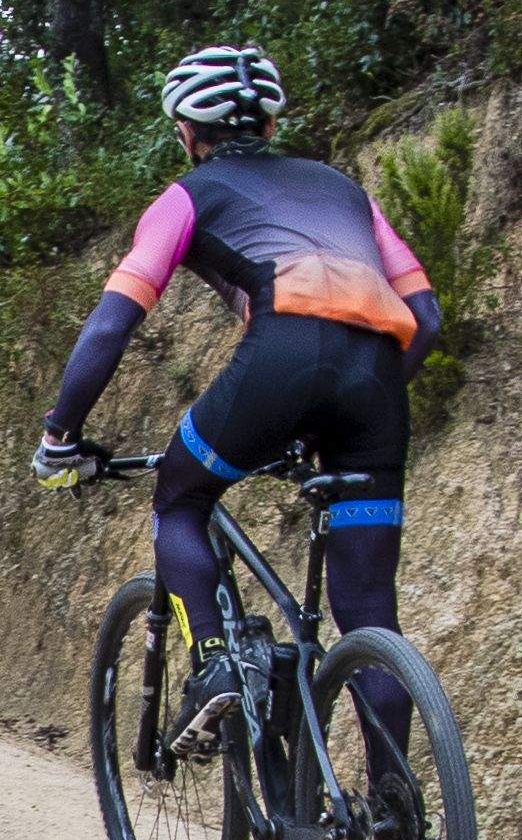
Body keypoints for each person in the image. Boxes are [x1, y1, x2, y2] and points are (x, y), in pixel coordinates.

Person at [31, 42, 439, 729]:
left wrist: (60, 434)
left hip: (282, 355)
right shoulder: (345, 191)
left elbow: (110, 327)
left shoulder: (186, 196)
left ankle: (216, 661)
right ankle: (393, 821)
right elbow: (423, 318)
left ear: (186, 132)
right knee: (370, 615)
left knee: (179, 498)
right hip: (376, 381)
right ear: (271, 126)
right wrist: (334, 417)